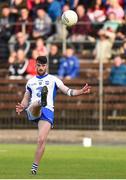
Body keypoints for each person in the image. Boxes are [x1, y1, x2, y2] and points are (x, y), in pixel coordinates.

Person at [15, 56, 91, 175]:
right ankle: (40, 101)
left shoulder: (53, 79)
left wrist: (80, 91)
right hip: (32, 110)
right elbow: (25, 99)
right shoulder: (30, 82)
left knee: (41, 139)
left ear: (46, 66)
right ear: (36, 66)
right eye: (39, 65)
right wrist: (22, 106)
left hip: (48, 110)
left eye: (43, 65)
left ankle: (34, 167)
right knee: (35, 104)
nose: (41, 68)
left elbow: (68, 91)